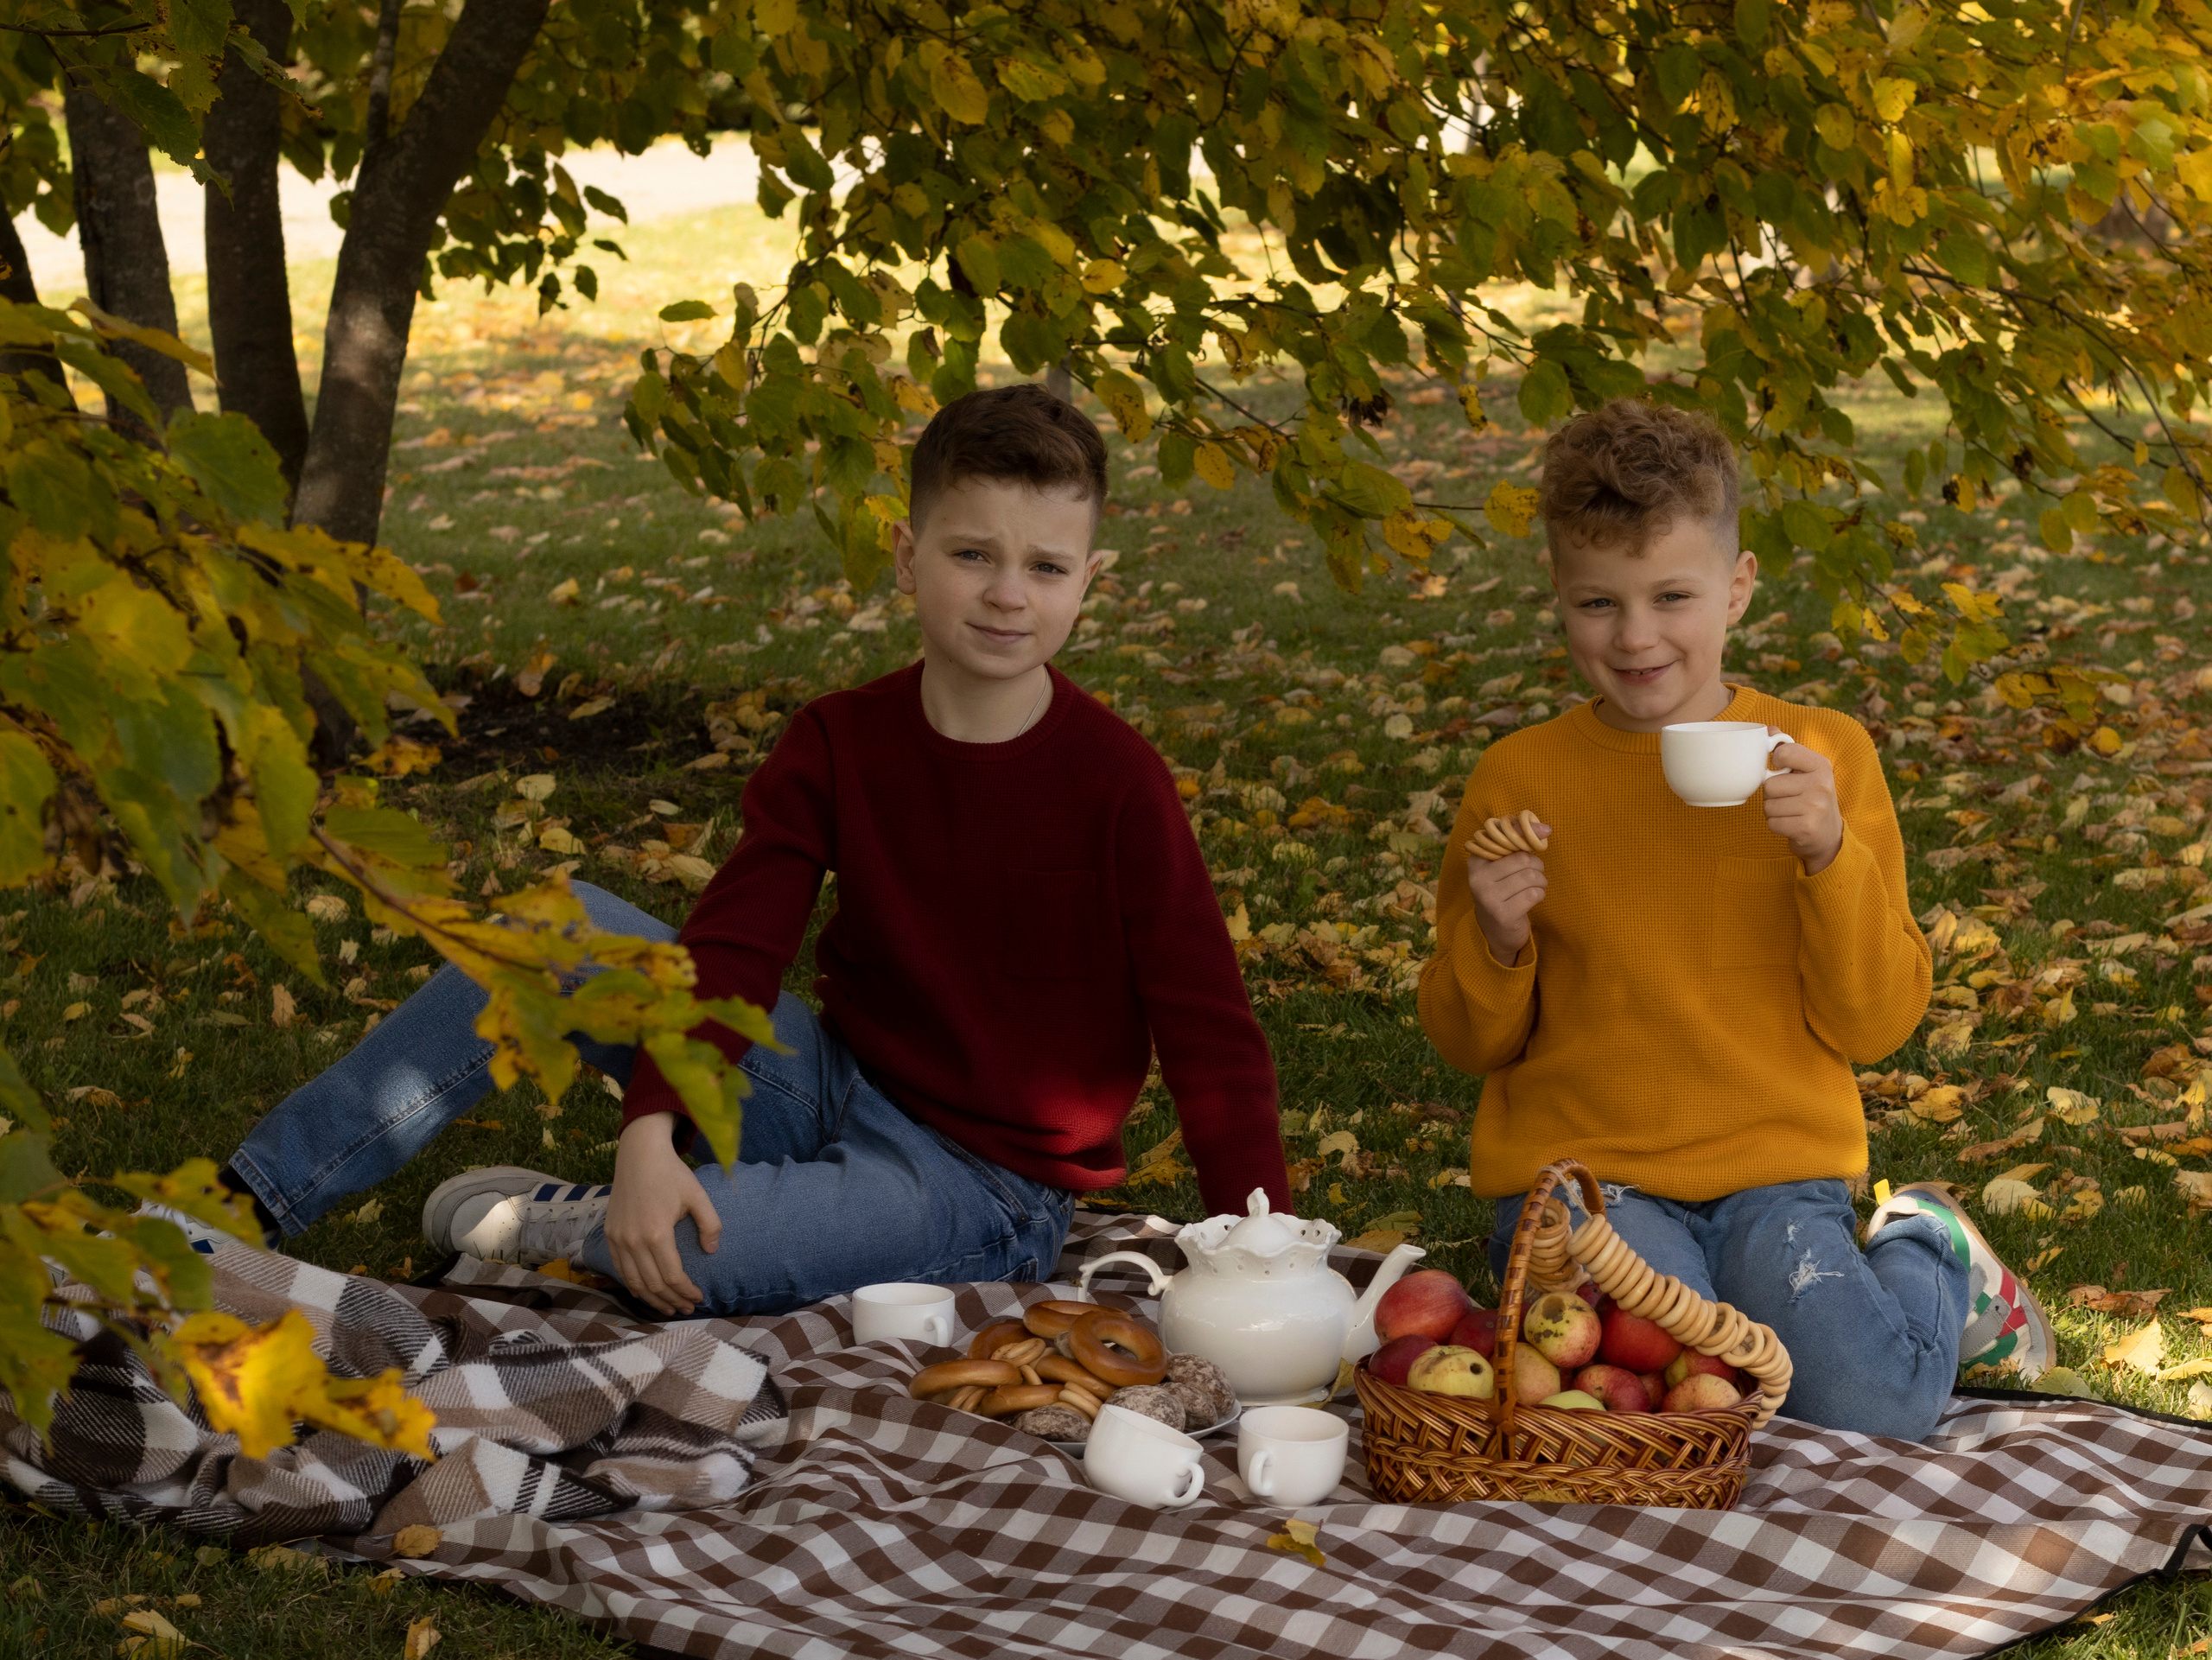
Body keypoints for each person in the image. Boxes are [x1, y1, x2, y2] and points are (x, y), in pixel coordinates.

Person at [162, 385, 1290, 1317]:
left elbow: (1211, 1034)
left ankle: (546, 1222)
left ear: (1089, 584)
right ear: (906, 556)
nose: (1006, 593)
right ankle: (237, 1207)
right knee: (559, 933)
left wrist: (1270, 1255)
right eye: (972, 553)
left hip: (984, 1185)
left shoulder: (1117, 783)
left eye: (1046, 568)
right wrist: (649, 1127)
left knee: (705, 1254)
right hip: (832, 1080)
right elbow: (735, 944)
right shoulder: (842, 741)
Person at [1417, 398, 2049, 1441]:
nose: (1635, 637)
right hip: (1587, 1183)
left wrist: (1827, 858)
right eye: (1595, 604)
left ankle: (1930, 1248)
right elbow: (1466, 1037)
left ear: (1738, 588)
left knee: (1873, 1408)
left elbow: (1875, 1023)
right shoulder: (1519, 777)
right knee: (1663, 1413)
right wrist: (1495, 939)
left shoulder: (1820, 754)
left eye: (1672, 595)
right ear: (1558, 598)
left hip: (1774, 1170)